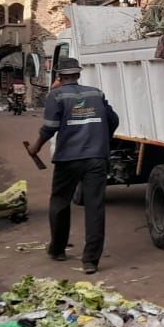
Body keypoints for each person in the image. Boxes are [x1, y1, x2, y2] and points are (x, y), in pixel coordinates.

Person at [27, 58, 119, 274]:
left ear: (59, 76)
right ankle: (90, 261)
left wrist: (35, 147)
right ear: (78, 74)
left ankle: (58, 249)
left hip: (68, 159)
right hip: (96, 158)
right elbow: (113, 119)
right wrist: (104, 139)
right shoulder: (96, 93)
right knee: (95, 207)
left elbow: (50, 127)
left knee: (60, 202)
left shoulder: (56, 95)